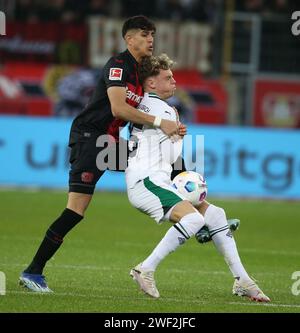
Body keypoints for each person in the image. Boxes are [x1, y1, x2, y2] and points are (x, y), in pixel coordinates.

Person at [19, 15, 182, 293]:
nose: (150, 39)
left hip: (110, 142)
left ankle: (199, 217)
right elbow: (119, 109)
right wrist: (160, 123)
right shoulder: (118, 66)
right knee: (76, 210)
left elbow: (142, 110)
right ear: (129, 39)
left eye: (152, 34)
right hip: (91, 139)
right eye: (144, 34)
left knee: (167, 159)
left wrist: (166, 120)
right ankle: (33, 271)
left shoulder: (142, 73)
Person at [126, 54, 270, 302]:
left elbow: (165, 154)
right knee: (193, 219)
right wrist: (178, 137)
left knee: (215, 215)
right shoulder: (162, 110)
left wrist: (174, 137)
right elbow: (172, 156)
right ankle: (145, 269)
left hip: (156, 180)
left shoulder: (147, 107)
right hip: (146, 182)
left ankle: (243, 280)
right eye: (167, 78)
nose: (174, 82)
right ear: (151, 84)